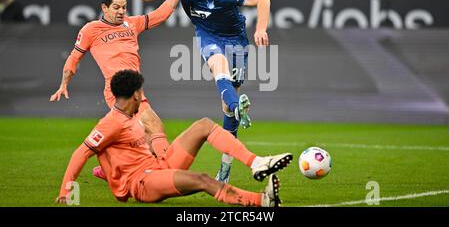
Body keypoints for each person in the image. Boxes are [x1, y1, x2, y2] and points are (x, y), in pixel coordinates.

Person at [56, 70, 293, 206]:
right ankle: (261, 201)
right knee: (202, 179)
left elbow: (120, 155)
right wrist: (67, 192)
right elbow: (82, 152)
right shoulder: (111, 123)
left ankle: (256, 162)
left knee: (203, 125)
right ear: (136, 94)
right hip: (143, 183)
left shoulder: (131, 117)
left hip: (158, 165)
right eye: (141, 92)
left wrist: (106, 172)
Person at [139, 0, 271, 183]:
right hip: (208, 36)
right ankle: (236, 105)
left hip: (236, 42)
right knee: (217, 65)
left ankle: (226, 164)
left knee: (227, 110)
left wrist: (260, 28)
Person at [50, 0, 179, 176]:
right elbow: (74, 58)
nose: (121, 11)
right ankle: (169, 173)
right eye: (116, 7)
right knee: (153, 125)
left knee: (140, 136)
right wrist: (64, 83)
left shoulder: (131, 23)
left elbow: (160, 15)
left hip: (135, 89)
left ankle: (110, 169)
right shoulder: (90, 30)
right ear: (104, 8)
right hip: (118, 90)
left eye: (124, 7)